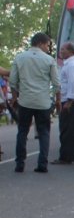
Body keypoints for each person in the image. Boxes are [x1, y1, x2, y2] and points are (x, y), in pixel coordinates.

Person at [9, 33, 61, 173]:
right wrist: (57, 100)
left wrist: (15, 97)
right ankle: (42, 164)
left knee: (22, 132)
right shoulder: (49, 60)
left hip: (25, 102)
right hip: (43, 103)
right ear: (40, 43)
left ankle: (20, 164)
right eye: (47, 45)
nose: (48, 48)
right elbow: (56, 83)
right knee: (44, 132)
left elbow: (13, 81)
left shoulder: (19, 58)